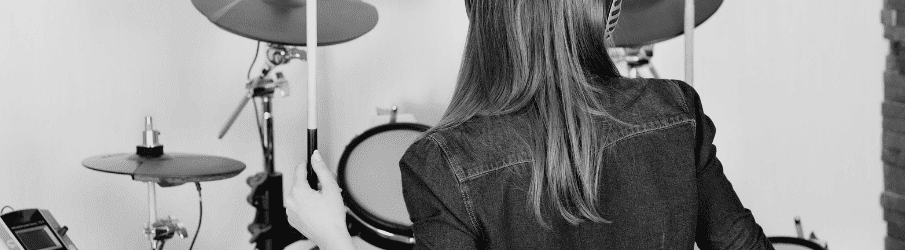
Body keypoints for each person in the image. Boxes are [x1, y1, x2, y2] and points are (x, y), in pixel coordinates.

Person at [285, 0, 774, 249]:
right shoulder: (676, 111)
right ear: (605, 14)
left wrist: (335, 239)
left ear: (481, 20)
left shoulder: (443, 162)